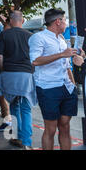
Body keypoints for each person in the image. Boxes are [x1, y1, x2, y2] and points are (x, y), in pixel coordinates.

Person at [29, 8, 84, 150]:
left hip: (67, 87)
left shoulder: (61, 40)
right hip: (48, 89)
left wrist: (73, 85)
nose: (65, 23)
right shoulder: (38, 37)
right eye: (64, 20)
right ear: (58, 22)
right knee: (51, 129)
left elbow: (66, 67)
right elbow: (35, 61)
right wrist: (61, 54)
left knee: (65, 126)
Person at [0, 11, 36, 149]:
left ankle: (17, 138)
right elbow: (35, 59)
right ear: (22, 21)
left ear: (10, 21)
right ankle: (27, 142)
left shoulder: (4, 35)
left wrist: (5, 69)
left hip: (10, 75)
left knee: (14, 106)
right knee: (26, 108)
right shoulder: (30, 36)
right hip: (26, 76)